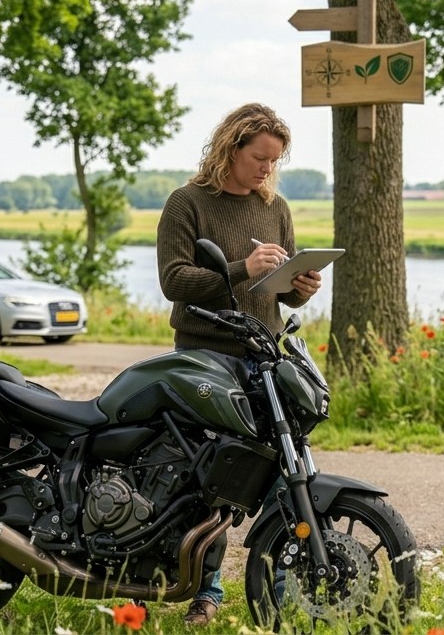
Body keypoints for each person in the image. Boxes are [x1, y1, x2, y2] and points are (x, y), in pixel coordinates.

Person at [155, 102, 323, 627]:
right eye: (260, 157)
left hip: (265, 357)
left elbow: (278, 295)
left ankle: (282, 592)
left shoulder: (276, 207)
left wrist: (302, 288)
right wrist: (241, 268)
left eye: (275, 160)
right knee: (207, 482)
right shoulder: (187, 203)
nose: (268, 169)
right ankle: (206, 592)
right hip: (204, 359)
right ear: (231, 148)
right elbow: (174, 281)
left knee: (284, 477)